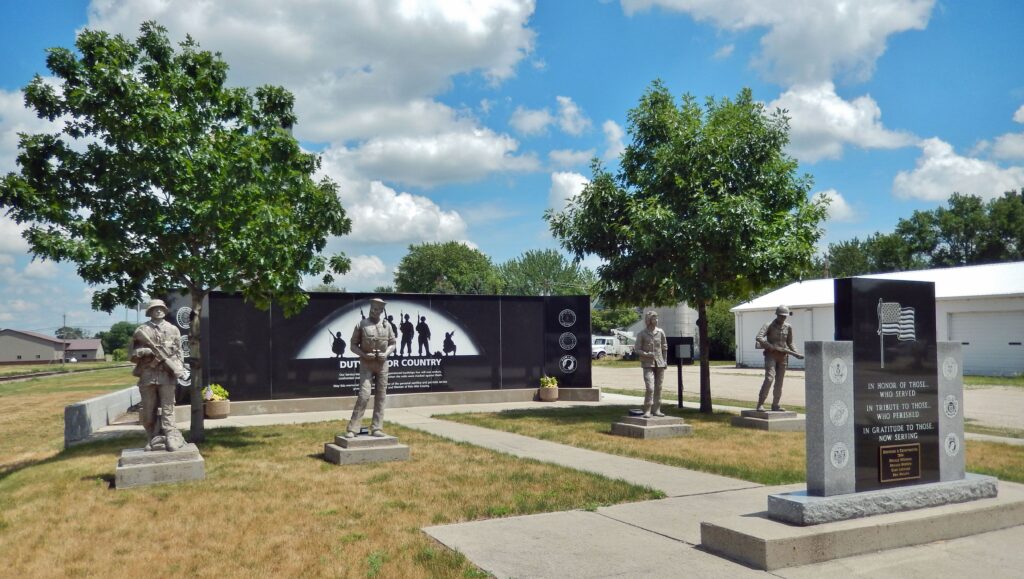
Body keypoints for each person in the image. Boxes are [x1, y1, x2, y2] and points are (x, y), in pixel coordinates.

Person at [131, 299, 188, 451]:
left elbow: (179, 352)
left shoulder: (173, 329)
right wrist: (144, 352)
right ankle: (151, 437)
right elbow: (132, 355)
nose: (158, 310)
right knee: (148, 410)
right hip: (148, 375)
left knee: (168, 408)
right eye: (154, 308)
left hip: (167, 376)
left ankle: (171, 437)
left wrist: (178, 367)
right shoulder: (142, 330)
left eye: (161, 308)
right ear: (149, 312)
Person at [346, 297, 396, 437]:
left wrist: (386, 353)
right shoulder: (362, 324)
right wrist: (363, 354)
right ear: (370, 308)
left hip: (382, 364)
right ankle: (353, 428)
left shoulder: (388, 325)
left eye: (379, 309)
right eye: (374, 308)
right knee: (364, 395)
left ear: (382, 311)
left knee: (381, 396)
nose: (375, 311)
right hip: (367, 364)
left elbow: (393, 343)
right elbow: (353, 345)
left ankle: (377, 427)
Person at [755, 305, 802, 412]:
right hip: (771, 355)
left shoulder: (788, 327)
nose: (783, 318)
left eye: (785, 316)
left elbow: (790, 342)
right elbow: (759, 337)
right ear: (777, 315)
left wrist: (796, 352)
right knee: (769, 379)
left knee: (779, 382)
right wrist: (769, 346)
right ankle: (760, 404)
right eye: (781, 316)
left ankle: (775, 404)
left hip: (783, 357)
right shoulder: (769, 325)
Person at [635, 310, 668, 418]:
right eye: (654, 318)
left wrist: (665, 360)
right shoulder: (642, 334)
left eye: (657, 318)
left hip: (660, 364)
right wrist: (647, 354)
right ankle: (647, 410)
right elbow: (637, 349)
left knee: (659, 387)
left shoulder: (661, 332)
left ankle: (657, 409)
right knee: (650, 388)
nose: (656, 320)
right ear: (649, 320)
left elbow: (664, 347)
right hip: (647, 364)